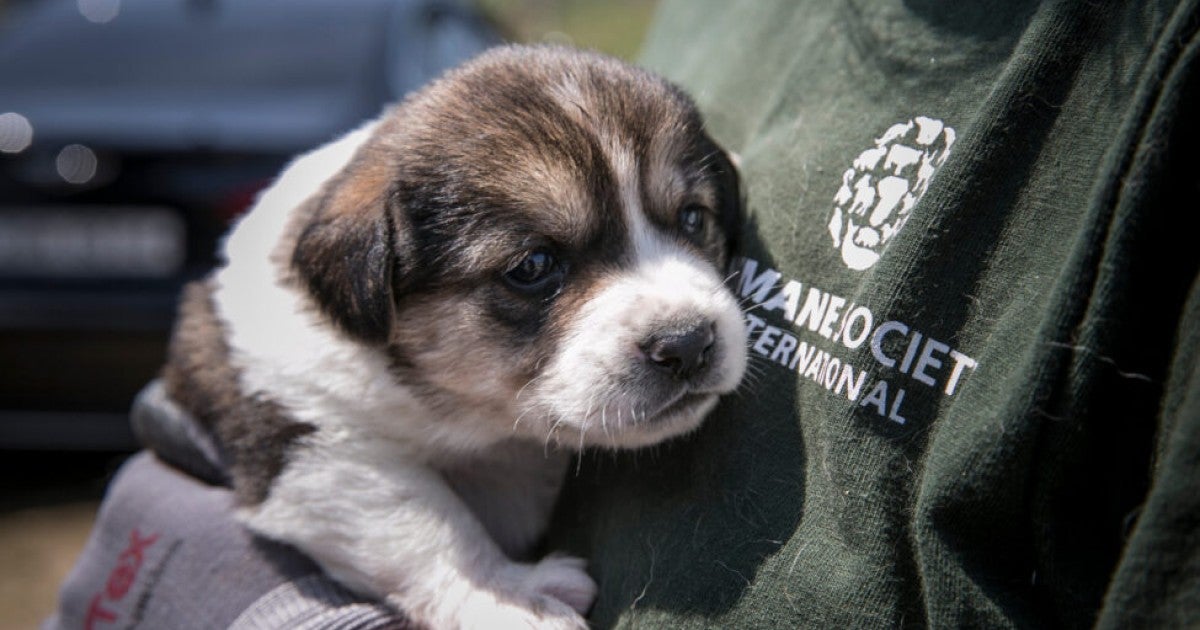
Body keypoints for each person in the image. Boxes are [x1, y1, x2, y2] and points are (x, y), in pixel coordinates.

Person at [48, 1, 1199, 628]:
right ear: (368, 295)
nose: (677, 315)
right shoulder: (301, 324)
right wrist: (459, 592)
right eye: (535, 272)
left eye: (688, 221)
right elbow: (299, 462)